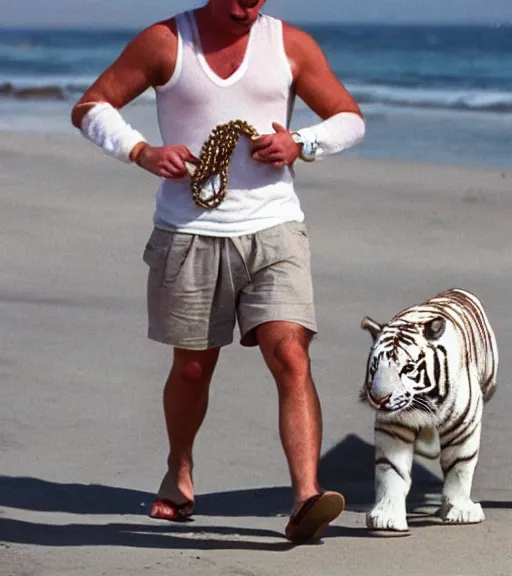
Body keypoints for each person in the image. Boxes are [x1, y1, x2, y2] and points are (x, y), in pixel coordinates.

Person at [71, 0, 365, 543]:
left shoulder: (290, 44)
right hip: (189, 234)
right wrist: (141, 151)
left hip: (275, 228)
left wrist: (301, 142)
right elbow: (92, 107)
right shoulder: (166, 42)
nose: (248, 7)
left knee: (291, 354)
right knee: (192, 369)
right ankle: (179, 471)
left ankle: (305, 497)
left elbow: (349, 118)